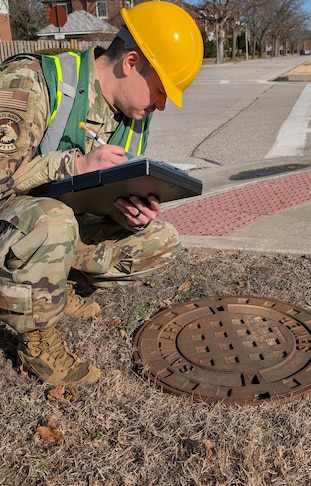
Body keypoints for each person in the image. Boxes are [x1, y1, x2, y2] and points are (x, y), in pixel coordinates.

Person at [0, 2, 203, 386]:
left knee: (161, 239)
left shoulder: (132, 116)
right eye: (160, 89)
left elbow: (102, 193)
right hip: (13, 223)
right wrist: (71, 166)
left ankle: (55, 285)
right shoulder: (32, 81)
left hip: (50, 225)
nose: (161, 103)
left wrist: (128, 211)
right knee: (53, 220)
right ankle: (38, 342)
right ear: (130, 62)